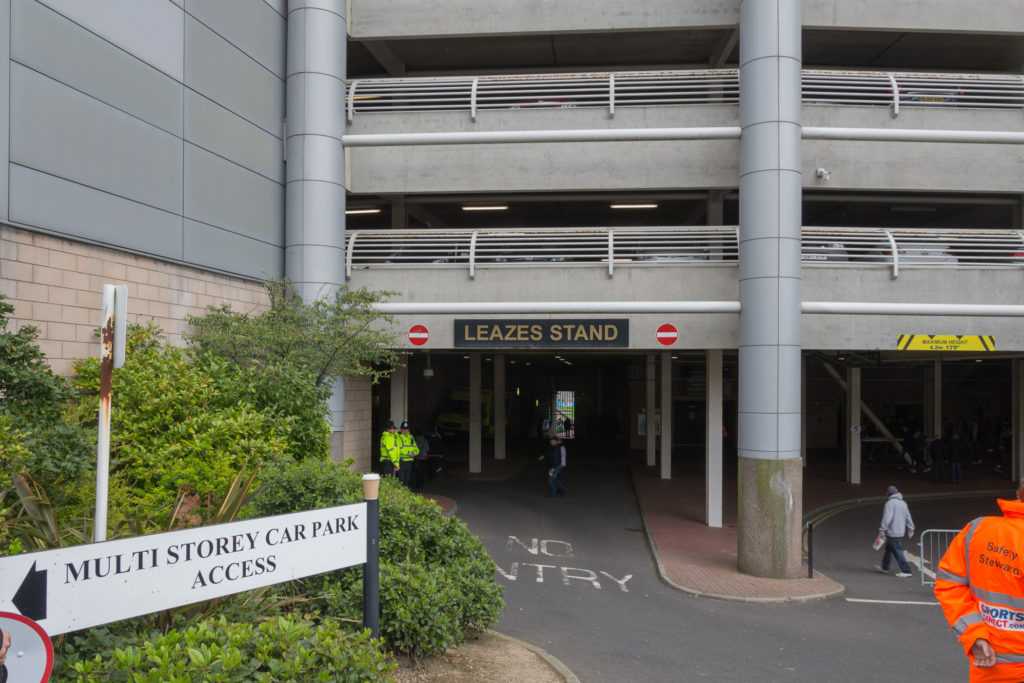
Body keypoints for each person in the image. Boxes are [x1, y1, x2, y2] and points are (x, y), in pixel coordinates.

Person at [934, 479, 1024, 682]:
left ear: (1019, 495)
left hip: (993, 663)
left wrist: (975, 635)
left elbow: (949, 584)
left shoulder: (978, 529)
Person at [874, 484, 915, 578]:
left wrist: (882, 530)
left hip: (892, 532)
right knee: (889, 549)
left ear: (888, 494)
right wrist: (910, 529)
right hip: (900, 531)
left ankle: (906, 570)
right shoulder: (903, 503)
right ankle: (884, 567)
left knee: (897, 551)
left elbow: (886, 518)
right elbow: (908, 517)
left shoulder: (890, 503)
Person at [397, 420, 419, 487]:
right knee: (401, 480)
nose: (405, 431)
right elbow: (399, 449)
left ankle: (404, 494)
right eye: (403, 429)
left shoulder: (411, 437)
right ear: (401, 429)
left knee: (407, 480)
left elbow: (417, 449)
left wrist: (414, 452)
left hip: (409, 463)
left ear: (408, 430)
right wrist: (409, 453)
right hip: (402, 462)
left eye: (406, 429)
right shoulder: (398, 437)